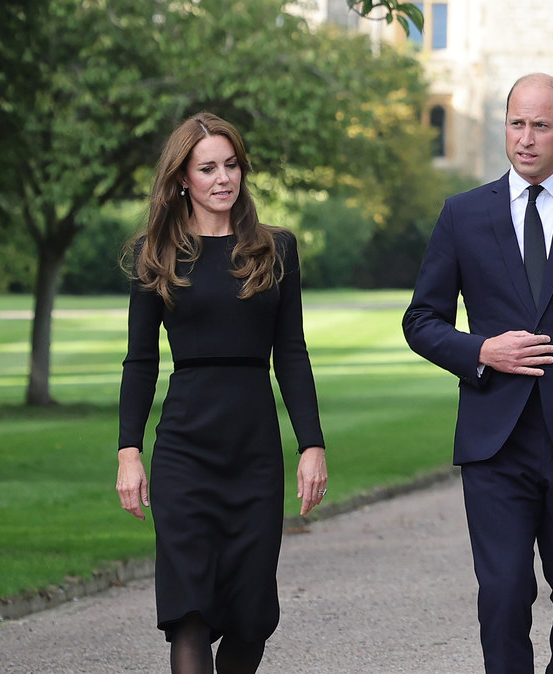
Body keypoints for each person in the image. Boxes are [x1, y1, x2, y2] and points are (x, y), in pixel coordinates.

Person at [401, 73, 553, 673]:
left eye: (541, 125)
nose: (527, 138)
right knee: (505, 595)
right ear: (504, 127)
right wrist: (481, 351)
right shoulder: (463, 214)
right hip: (496, 441)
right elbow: (421, 320)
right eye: (517, 124)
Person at [115, 112, 328, 674]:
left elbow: (293, 352)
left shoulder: (274, 249)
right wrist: (128, 451)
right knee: (189, 612)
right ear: (182, 176)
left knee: (250, 617)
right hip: (185, 450)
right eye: (207, 167)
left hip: (254, 451)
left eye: (231, 165)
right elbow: (139, 362)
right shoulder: (155, 254)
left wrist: (312, 444)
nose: (222, 178)